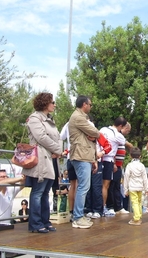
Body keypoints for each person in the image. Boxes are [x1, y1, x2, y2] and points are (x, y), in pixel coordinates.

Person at [23, 92, 63, 233]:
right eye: (52, 102)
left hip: (50, 158)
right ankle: (35, 223)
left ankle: (45, 221)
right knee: (38, 192)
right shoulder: (35, 118)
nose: (54, 104)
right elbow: (41, 137)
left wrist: (57, 150)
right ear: (45, 103)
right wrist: (58, 149)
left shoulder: (48, 119)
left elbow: (54, 137)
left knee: (46, 192)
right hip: (41, 158)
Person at [69, 95, 100, 229]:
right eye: (90, 104)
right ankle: (77, 217)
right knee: (83, 187)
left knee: (83, 186)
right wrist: (94, 134)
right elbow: (95, 132)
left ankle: (79, 215)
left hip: (85, 156)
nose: (91, 107)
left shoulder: (81, 117)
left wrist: (93, 159)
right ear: (84, 104)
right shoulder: (78, 117)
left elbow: (92, 135)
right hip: (80, 156)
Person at [100, 117, 130, 216]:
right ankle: (105, 207)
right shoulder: (117, 134)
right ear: (121, 126)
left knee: (103, 185)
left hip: (101, 159)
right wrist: (135, 150)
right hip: (109, 160)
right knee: (106, 185)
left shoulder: (103, 129)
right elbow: (127, 144)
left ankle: (102, 207)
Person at [123, 147, 148, 225]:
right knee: (139, 202)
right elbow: (145, 177)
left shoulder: (129, 165)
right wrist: (146, 188)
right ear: (140, 156)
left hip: (132, 187)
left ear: (130, 156)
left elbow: (126, 177)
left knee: (134, 202)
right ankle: (139, 216)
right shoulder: (142, 166)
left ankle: (136, 219)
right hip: (140, 187)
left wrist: (125, 189)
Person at [60, 121, 78, 220]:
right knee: (80, 185)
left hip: (69, 157)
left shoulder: (67, 123)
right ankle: (78, 212)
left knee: (73, 185)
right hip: (79, 156)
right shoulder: (84, 121)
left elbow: (61, 137)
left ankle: (71, 212)